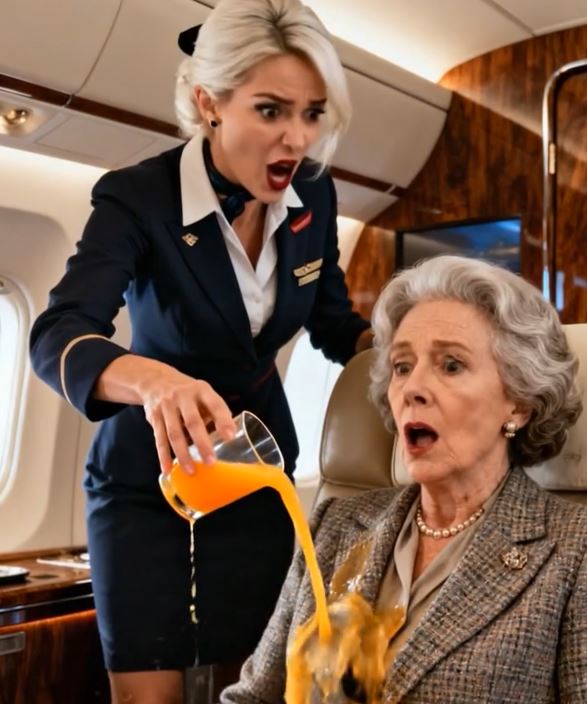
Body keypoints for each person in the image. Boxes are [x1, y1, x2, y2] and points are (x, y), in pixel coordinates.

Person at [29, 0, 372, 701]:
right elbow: (58, 333)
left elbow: (335, 322)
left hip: (256, 470)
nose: (297, 138)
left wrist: (401, 352)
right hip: (146, 480)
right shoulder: (139, 198)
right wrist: (154, 382)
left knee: (255, 683)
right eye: (271, 111)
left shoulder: (314, 194)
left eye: (312, 113)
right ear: (209, 103)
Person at [220, 255, 587, 704]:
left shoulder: (574, 550)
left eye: (451, 365)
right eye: (402, 366)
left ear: (519, 403)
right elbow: (252, 697)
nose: (412, 388)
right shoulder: (334, 525)